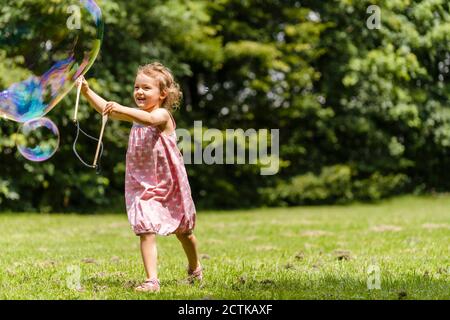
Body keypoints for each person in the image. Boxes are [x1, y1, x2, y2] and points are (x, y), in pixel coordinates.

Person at [76, 62, 202, 292]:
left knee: (183, 232)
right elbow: (105, 107)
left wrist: (120, 109)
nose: (139, 92)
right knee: (145, 229)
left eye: (146, 88)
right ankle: (152, 280)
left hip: (168, 184)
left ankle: (195, 268)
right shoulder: (136, 114)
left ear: (163, 94)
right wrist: (86, 90)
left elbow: (149, 120)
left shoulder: (161, 114)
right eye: (136, 87)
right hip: (144, 184)